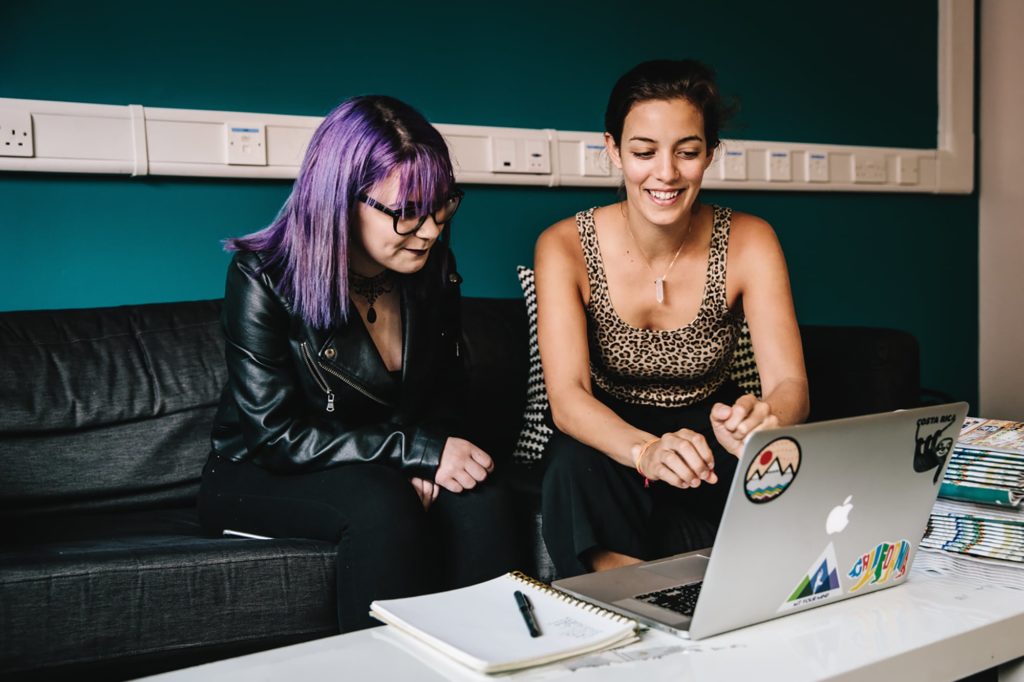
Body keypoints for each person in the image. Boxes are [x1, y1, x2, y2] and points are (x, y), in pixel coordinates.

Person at [198, 95, 520, 631]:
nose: (432, 229)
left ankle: (502, 659)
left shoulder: (432, 266)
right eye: (408, 212)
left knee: (481, 490)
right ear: (342, 200)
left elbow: (443, 395)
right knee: (379, 504)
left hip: (382, 462)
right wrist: (411, 454)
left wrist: (428, 455)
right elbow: (273, 436)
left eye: (444, 205)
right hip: (260, 468)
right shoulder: (261, 276)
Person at [535, 60, 809, 579]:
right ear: (614, 149)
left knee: (785, 473)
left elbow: (791, 384)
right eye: (643, 152)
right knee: (572, 467)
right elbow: (568, 398)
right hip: (612, 434)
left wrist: (765, 416)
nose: (666, 173)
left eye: (687, 152)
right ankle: (627, 604)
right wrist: (647, 452)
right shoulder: (563, 245)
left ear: (709, 154)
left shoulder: (752, 240)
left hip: (714, 431)